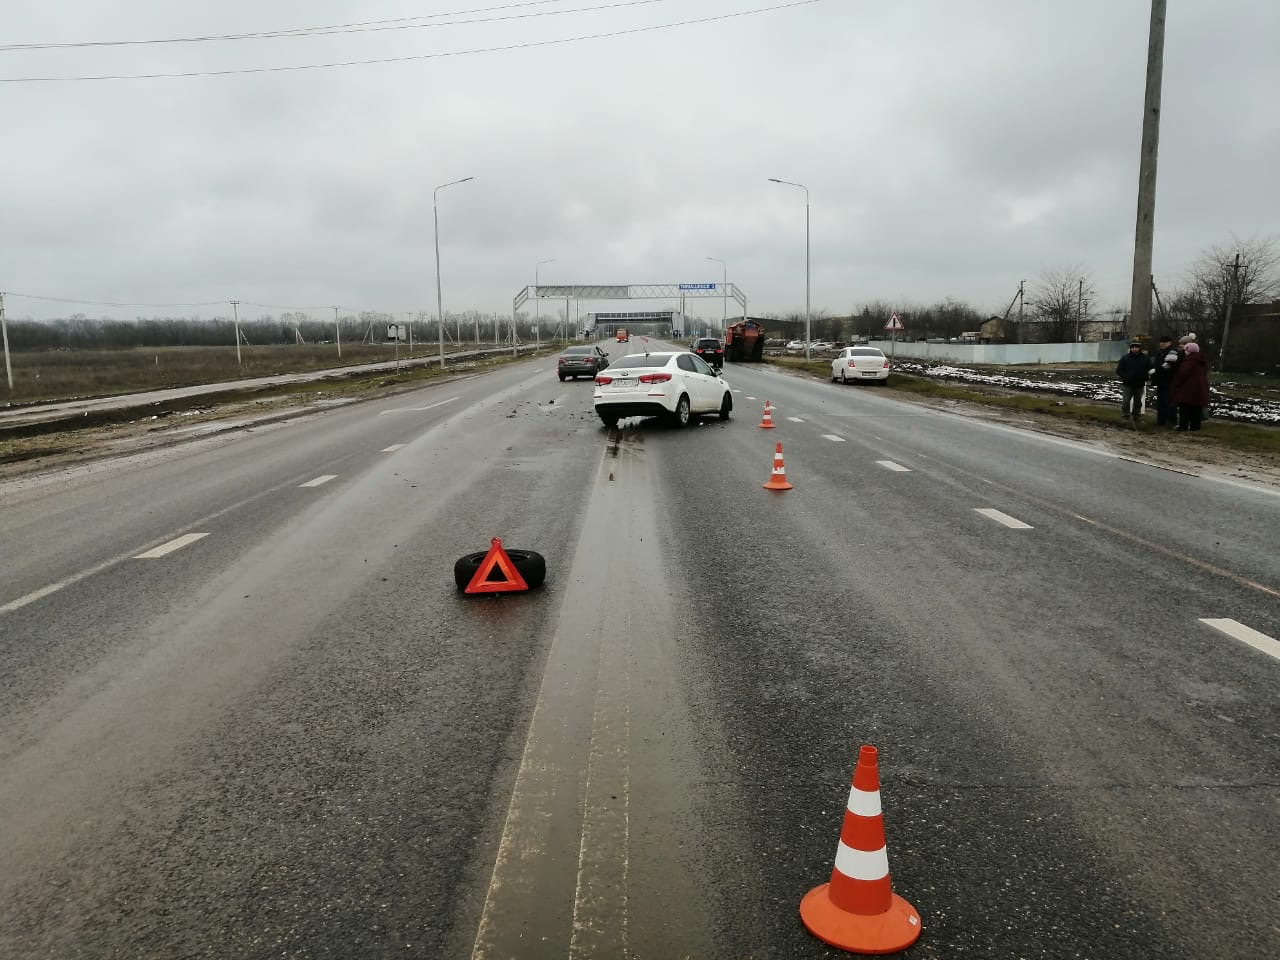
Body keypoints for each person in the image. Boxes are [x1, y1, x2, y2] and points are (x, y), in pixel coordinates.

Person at [1171, 341, 1210, 431]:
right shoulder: (1201, 360)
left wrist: (1176, 383)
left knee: (1184, 407)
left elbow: (1183, 373)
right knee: (1196, 407)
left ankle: (1183, 426)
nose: (1184, 352)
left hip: (1188, 388)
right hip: (1200, 387)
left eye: (1185, 350)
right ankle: (1195, 426)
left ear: (1189, 351)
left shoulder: (1189, 360)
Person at [1149, 334, 1181, 427]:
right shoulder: (1161, 352)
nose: (1162, 344)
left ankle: (1170, 421)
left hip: (1169, 381)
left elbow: (1168, 365)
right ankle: (1161, 421)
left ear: (1169, 343)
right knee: (1161, 402)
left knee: (1168, 402)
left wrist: (1156, 370)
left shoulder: (1173, 352)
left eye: (1165, 342)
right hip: (1161, 381)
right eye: (1161, 342)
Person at [1115, 339, 1149, 423]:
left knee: (1138, 402)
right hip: (1127, 384)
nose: (1134, 349)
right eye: (1133, 347)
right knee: (1126, 402)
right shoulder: (1125, 358)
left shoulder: (1145, 358)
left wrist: (1146, 377)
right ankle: (1125, 416)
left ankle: (1136, 417)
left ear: (1139, 348)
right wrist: (1125, 376)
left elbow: (1150, 368)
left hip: (1139, 384)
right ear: (1130, 348)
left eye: (1136, 347)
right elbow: (1119, 370)